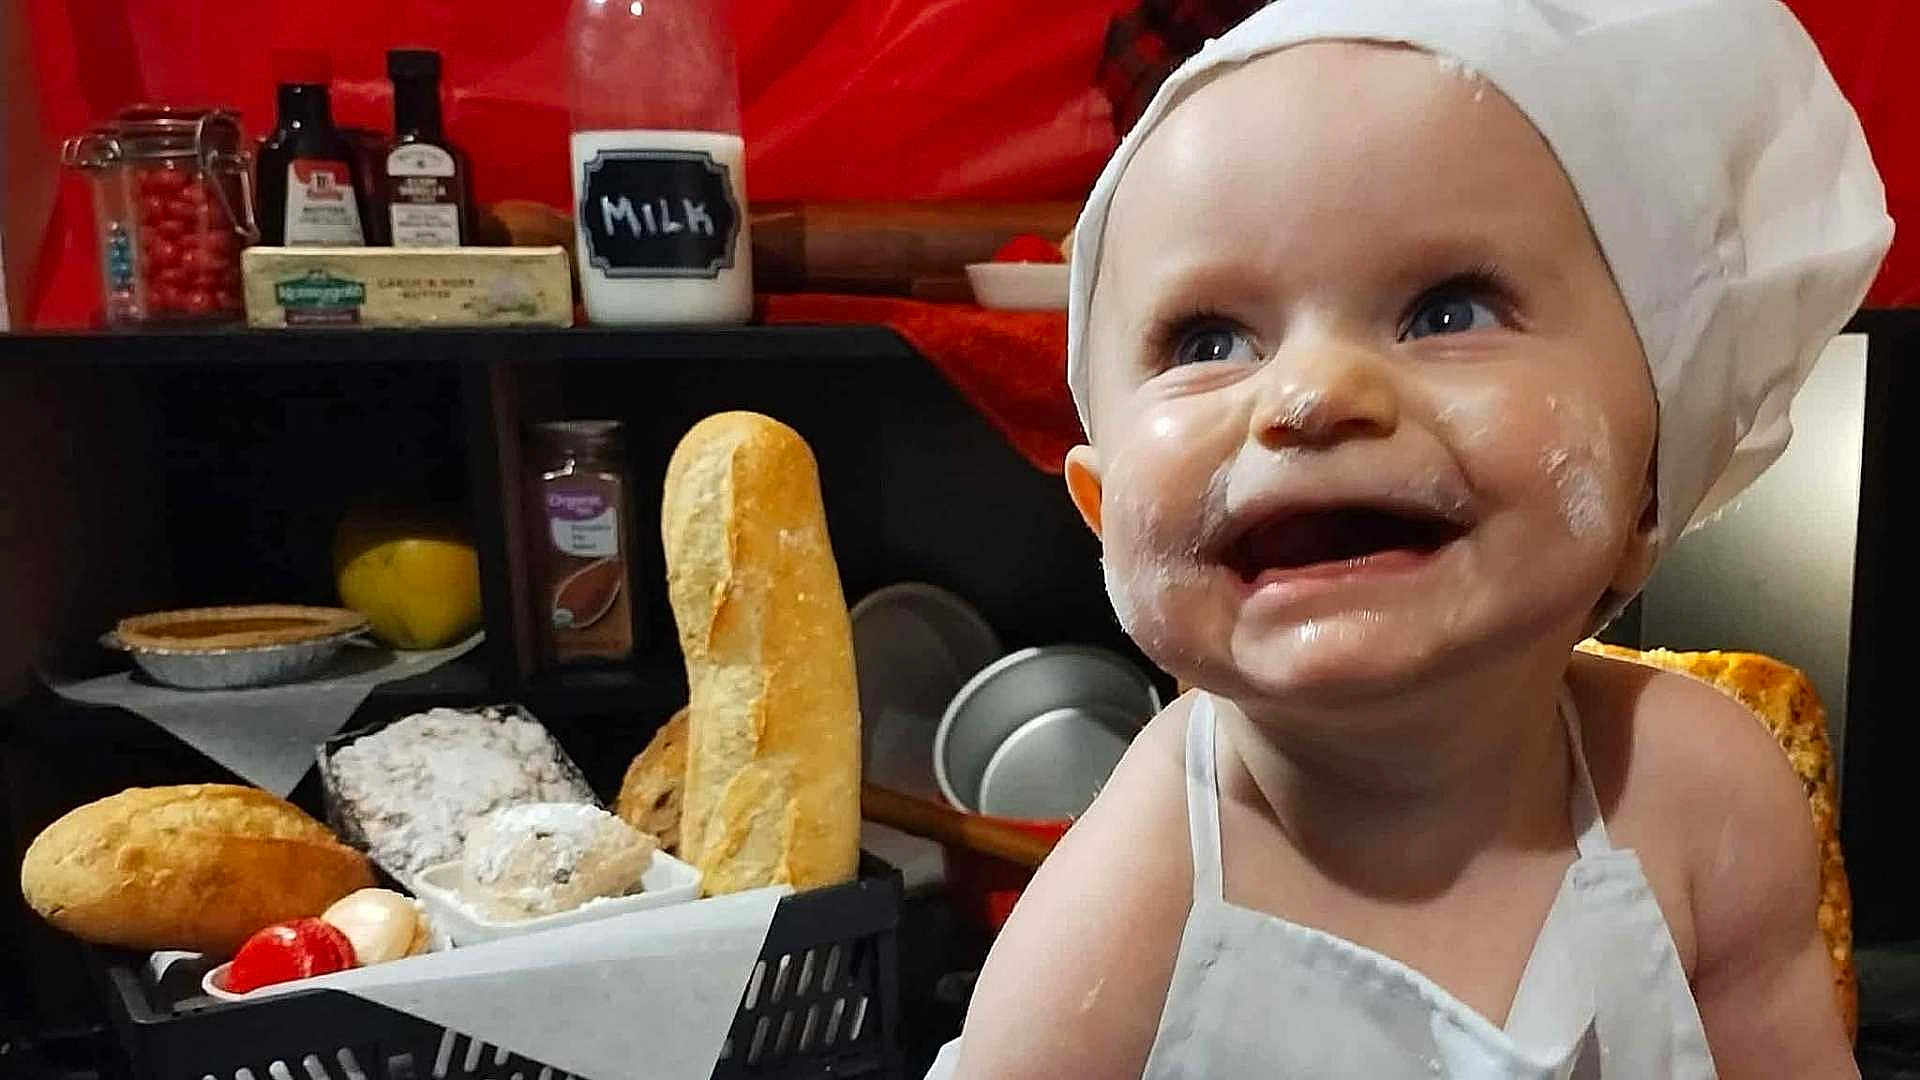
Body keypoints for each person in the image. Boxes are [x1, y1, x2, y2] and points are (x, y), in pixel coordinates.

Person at [930, 0, 1892, 1076]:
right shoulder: (1134, 892)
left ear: (1646, 495)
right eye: (1208, 337)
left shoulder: (1708, 797)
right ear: (1106, 521)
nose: (1312, 392)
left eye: (1447, 312)